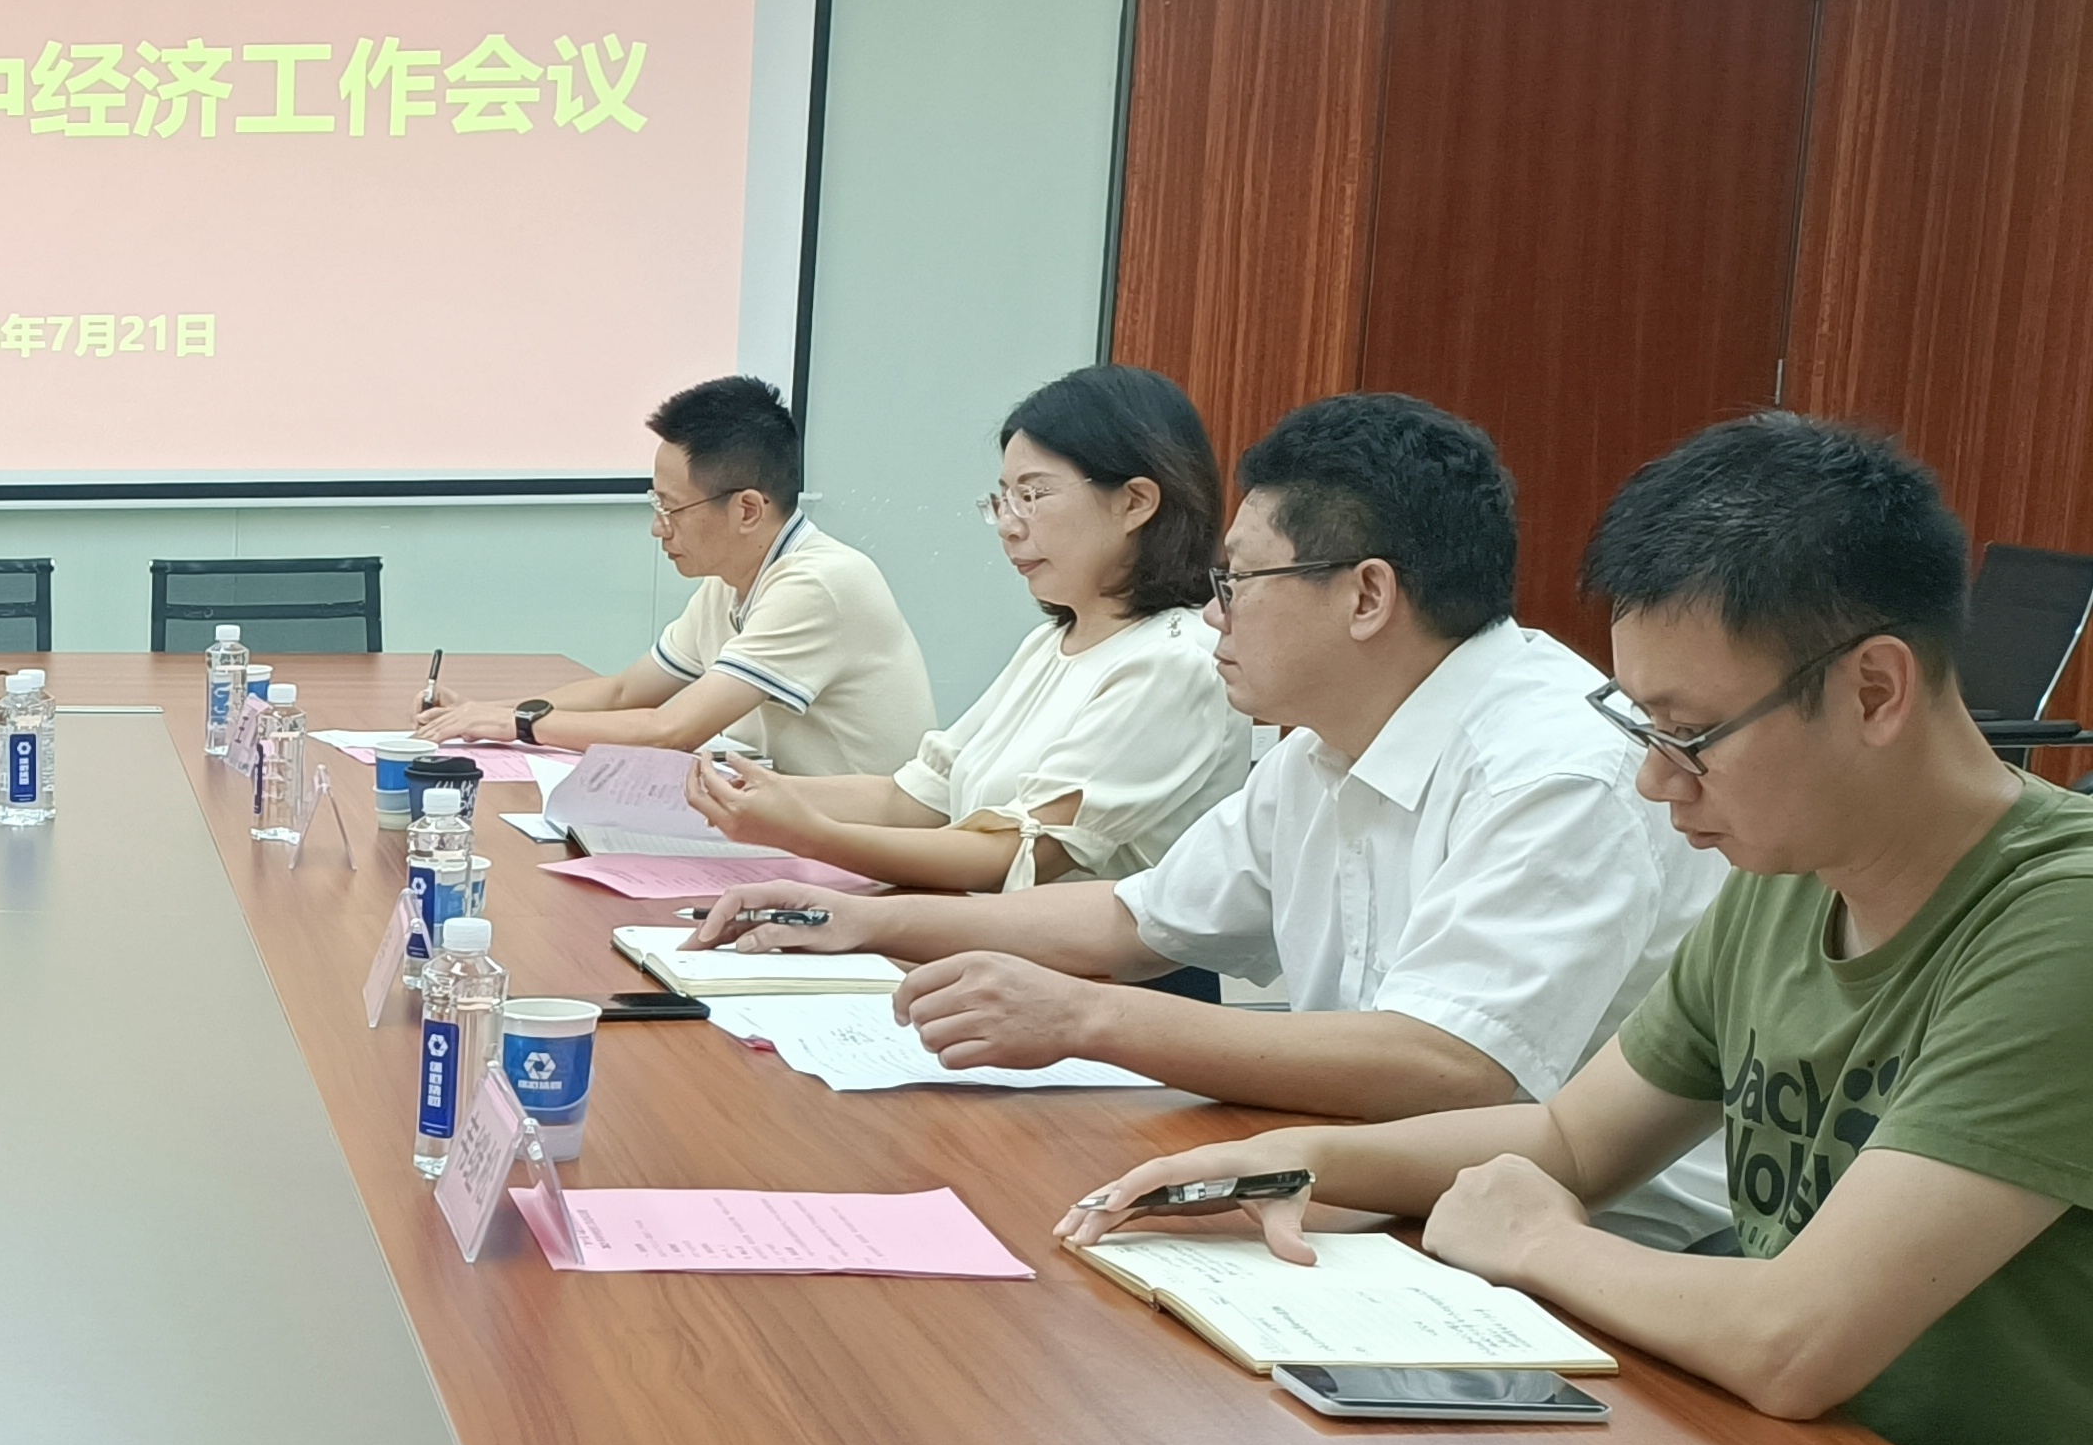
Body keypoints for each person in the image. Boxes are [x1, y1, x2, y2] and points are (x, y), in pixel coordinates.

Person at [1070, 417, 2093, 1445]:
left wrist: (1539, 1243)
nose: (1656, 781)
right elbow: (1570, 1140)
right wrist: (1294, 1160)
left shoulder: (2061, 923)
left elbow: (1793, 1341)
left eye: (1690, 734)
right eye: (1643, 726)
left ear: (1875, 691)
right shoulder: (1793, 874)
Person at [689, 396, 1727, 1207]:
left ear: (1367, 595)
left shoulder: (1554, 768)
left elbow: (1451, 1065)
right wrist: (864, 919)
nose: (1216, 615)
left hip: (1575, 1241)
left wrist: (1085, 1017)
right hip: (1374, 1185)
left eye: (1238, 583)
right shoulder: (1317, 748)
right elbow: (1132, 918)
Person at [687, 364, 1250, 892]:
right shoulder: (1050, 645)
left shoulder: (1177, 658)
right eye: (1004, 499)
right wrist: (757, 791)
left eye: (1032, 495)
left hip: (1083, 963)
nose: (1008, 526)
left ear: (1135, 502)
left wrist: (806, 832)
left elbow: (1017, 855)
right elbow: (913, 800)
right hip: (988, 943)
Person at [414, 375, 936, 773]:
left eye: (672, 508)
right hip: (792, 827)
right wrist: (483, 712)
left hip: (867, 856)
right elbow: (624, 693)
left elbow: (671, 730)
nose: (658, 528)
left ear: (747, 510)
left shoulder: (818, 585)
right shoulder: (730, 581)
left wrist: (517, 724)